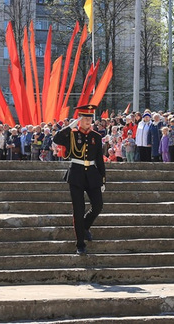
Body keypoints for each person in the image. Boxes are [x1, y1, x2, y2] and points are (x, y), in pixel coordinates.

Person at [53, 105, 106, 255]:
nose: (89, 121)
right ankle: (80, 244)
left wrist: (103, 179)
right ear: (80, 119)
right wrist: (70, 126)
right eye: (85, 118)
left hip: (92, 174)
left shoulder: (96, 136)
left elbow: (99, 159)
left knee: (98, 206)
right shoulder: (72, 134)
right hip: (76, 174)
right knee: (78, 209)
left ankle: (85, 226)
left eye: (90, 118)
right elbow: (56, 139)